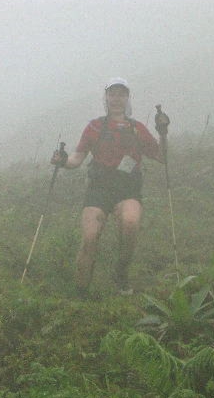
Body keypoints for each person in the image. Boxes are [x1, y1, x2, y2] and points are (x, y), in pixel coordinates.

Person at [51, 77, 169, 296]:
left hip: (128, 188)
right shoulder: (95, 126)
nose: (116, 98)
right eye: (112, 94)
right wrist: (63, 161)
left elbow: (161, 157)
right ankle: (81, 291)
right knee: (90, 237)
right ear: (106, 97)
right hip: (99, 188)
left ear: (127, 98)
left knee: (131, 222)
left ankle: (120, 273)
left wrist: (163, 133)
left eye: (121, 94)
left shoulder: (137, 128)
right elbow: (77, 159)